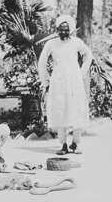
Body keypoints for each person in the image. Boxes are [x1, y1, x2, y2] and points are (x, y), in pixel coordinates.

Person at [37, 14, 94, 155]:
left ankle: (75, 143)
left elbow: (88, 55)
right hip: (59, 82)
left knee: (77, 110)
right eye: (61, 29)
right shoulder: (51, 44)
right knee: (60, 111)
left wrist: (82, 72)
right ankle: (63, 145)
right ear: (57, 30)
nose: (63, 32)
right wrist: (46, 80)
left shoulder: (76, 42)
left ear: (71, 30)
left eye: (66, 29)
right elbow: (42, 62)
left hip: (75, 81)